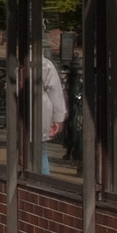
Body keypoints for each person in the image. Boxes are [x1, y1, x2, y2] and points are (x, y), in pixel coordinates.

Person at [36, 30, 71, 175]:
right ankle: (43, 180)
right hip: (41, 111)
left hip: (26, 114)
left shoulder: (18, 64)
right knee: (40, 150)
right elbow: (55, 91)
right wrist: (58, 118)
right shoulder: (44, 64)